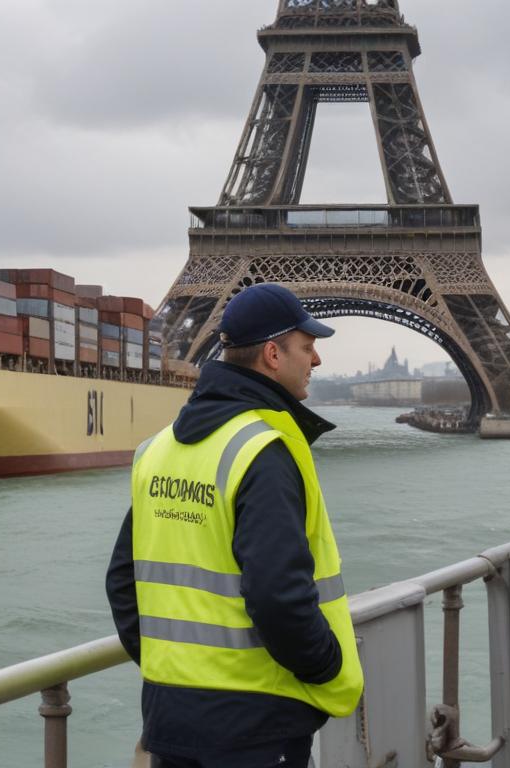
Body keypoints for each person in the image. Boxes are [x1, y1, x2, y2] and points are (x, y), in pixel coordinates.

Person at [106, 282, 364, 768]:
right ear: (272, 354)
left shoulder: (157, 450)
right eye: (308, 348)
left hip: (170, 720)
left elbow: (123, 580)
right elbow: (276, 597)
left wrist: (174, 670)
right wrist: (328, 665)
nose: (317, 361)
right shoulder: (263, 450)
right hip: (257, 727)